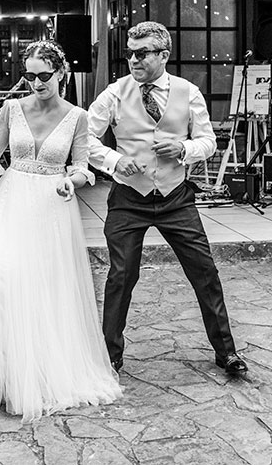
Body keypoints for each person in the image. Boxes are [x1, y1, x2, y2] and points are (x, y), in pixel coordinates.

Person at [0, 40, 121, 422]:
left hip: (52, 207)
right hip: (10, 202)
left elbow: (85, 165)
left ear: (61, 73)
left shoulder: (77, 116)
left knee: (40, 288)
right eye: (30, 75)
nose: (36, 82)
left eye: (44, 75)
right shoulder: (11, 108)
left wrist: (75, 179)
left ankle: (36, 372)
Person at [87, 21, 247, 377]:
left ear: (163, 55)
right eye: (129, 53)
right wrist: (113, 160)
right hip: (129, 199)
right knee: (120, 277)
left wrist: (185, 148)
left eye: (141, 53)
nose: (133, 59)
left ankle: (227, 353)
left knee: (205, 273)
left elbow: (208, 141)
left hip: (176, 197)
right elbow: (84, 138)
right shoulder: (114, 93)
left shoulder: (188, 91)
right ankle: (110, 356)